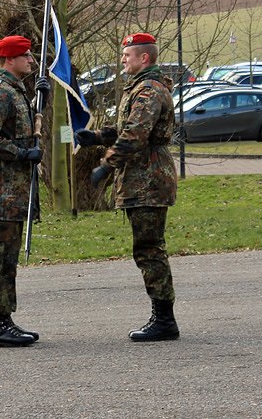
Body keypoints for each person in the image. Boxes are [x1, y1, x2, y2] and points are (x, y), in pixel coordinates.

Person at [76, 32, 179, 342]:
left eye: (128, 55)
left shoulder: (148, 90)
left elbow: (136, 134)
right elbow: (126, 129)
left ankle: (164, 320)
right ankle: (162, 316)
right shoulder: (139, 88)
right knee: (146, 249)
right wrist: (98, 137)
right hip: (140, 178)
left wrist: (107, 165)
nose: (123, 60)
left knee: (149, 249)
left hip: (148, 179)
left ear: (144, 58)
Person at [0, 35, 46, 348]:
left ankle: (5, 320)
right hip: (2, 187)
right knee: (0, 256)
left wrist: (36, 103)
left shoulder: (15, 91)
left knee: (8, 257)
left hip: (14, 188)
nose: (31, 61)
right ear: (10, 59)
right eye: (26, 56)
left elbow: (16, 127)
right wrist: (19, 153)